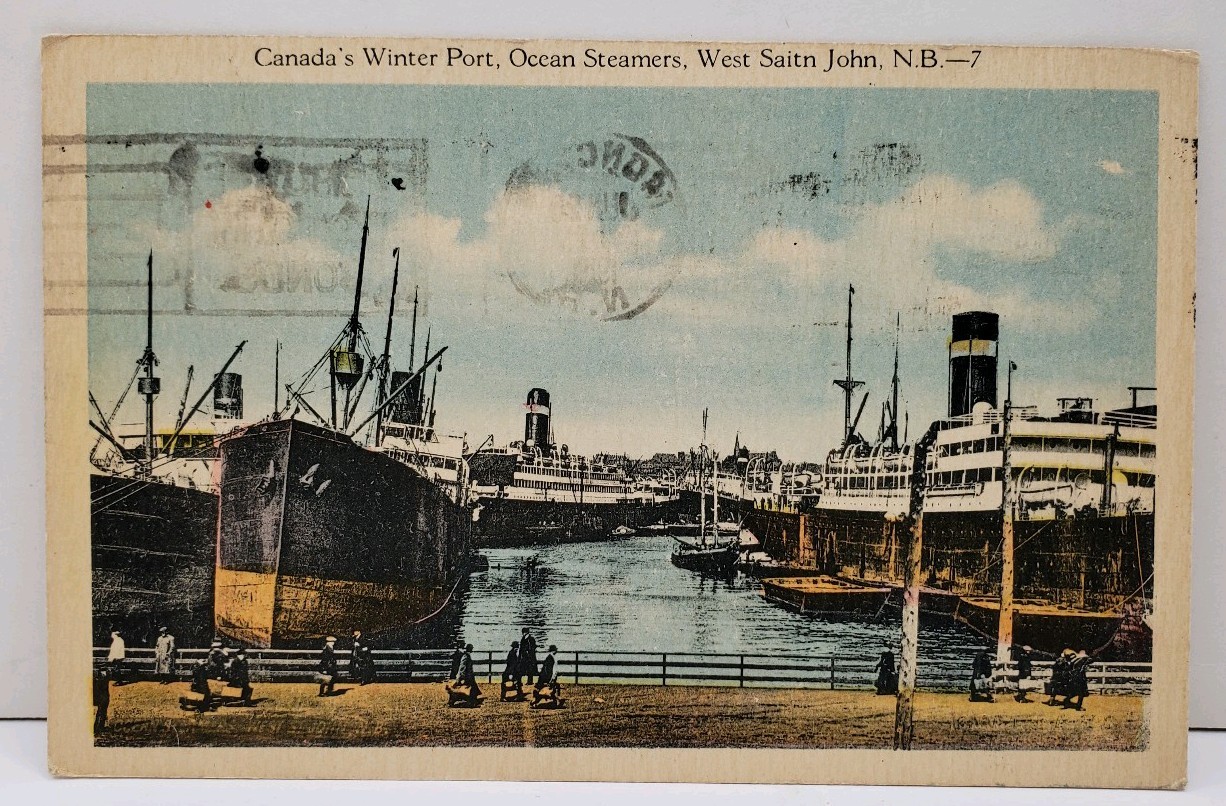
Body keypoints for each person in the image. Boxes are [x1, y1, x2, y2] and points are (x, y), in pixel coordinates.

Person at [92, 667, 110, 734]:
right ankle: (98, 728)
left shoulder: (99, 678)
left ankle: (99, 727)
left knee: (102, 712)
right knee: (101, 712)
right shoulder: (98, 679)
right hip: (101, 697)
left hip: (103, 697)